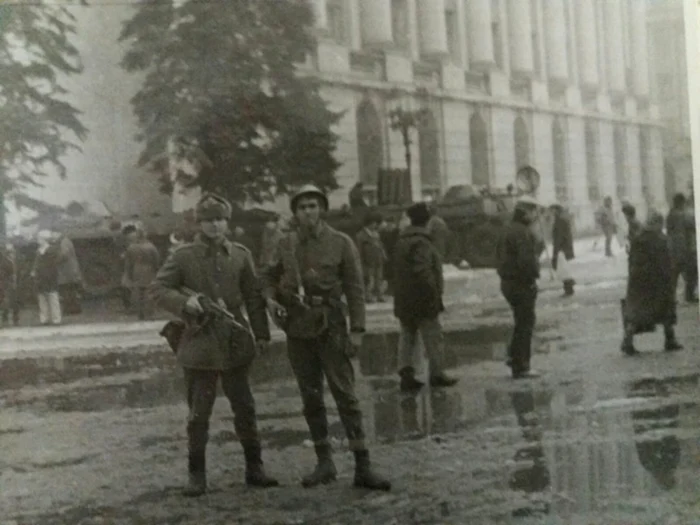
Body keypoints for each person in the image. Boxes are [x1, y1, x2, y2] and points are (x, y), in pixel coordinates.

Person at [262, 184, 390, 491]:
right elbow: (266, 276)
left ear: (322, 209)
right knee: (311, 398)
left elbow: (356, 290)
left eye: (313, 206)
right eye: (302, 207)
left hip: (331, 327)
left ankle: (363, 466)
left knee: (346, 396)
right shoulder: (286, 243)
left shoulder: (341, 243)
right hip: (298, 328)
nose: (308, 211)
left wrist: (357, 330)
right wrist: (270, 299)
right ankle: (324, 463)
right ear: (295, 212)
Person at [149, 193, 278, 497]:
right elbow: (158, 288)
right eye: (208, 220)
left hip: (234, 339)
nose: (215, 225)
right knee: (198, 413)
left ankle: (255, 469)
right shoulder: (183, 256)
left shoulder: (241, 255)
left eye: (220, 219)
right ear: (199, 223)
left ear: (227, 221)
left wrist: (261, 334)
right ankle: (197, 475)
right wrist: (185, 302)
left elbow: (253, 297)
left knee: (245, 407)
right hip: (200, 339)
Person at [393, 202, 457, 392]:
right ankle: (437, 374)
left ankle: (406, 375)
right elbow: (423, 272)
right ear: (427, 221)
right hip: (422, 298)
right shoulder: (421, 242)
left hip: (404, 298)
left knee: (407, 335)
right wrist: (433, 296)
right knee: (433, 336)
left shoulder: (402, 240)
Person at [620, 210, 683, 356]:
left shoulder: (637, 238)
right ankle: (670, 340)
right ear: (658, 223)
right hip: (657, 281)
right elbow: (666, 261)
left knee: (637, 312)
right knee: (666, 308)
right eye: (661, 224)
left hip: (638, 281)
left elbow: (631, 260)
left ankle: (627, 341)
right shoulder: (661, 239)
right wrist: (670, 278)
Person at [496, 196, 541, 379]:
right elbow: (527, 261)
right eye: (534, 211)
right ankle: (521, 365)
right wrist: (532, 277)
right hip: (521, 283)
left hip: (507, 282)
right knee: (525, 323)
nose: (535, 215)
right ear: (527, 212)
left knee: (520, 321)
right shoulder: (522, 232)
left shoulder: (508, 229)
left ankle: (514, 357)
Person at [124, 227, 161, 320]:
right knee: (149, 293)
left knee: (138, 293)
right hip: (149, 270)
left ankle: (140, 314)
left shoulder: (131, 247)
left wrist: (129, 274)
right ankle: (149, 313)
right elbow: (156, 260)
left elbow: (128, 263)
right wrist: (157, 270)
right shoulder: (151, 247)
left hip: (136, 270)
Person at [31, 230, 62, 326]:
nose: (37, 240)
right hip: (40, 278)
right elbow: (36, 264)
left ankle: (56, 319)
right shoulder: (38, 251)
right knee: (42, 299)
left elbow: (53, 264)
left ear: (44, 239)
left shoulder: (52, 250)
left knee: (53, 298)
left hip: (50, 277)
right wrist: (34, 271)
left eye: (39, 238)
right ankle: (44, 319)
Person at [355, 211, 387, 303]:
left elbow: (380, 246)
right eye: (373, 223)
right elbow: (359, 250)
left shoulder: (376, 234)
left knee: (379, 278)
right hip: (367, 261)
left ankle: (379, 294)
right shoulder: (360, 235)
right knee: (369, 279)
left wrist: (383, 255)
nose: (375, 225)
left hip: (378, 260)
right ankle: (368, 296)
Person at [55, 232, 84, 315]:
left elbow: (64, 255)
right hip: (70, 270)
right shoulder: (66, 241)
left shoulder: (64, 242)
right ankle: (74, 309)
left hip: (67, 271)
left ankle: (71, 310)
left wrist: (55, 260)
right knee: (71, 290)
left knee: (68, 290)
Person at [550, 203, 575, 297]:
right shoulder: (562, 220)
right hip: (564, 248)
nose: (551, 212)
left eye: (552, 210)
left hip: (561, 249)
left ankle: (569, 289)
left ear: (556, 210)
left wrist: (556, 250)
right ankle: (569, 288)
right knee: (564, 269)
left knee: (564, 270)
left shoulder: (559, 221)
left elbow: (559, 237)